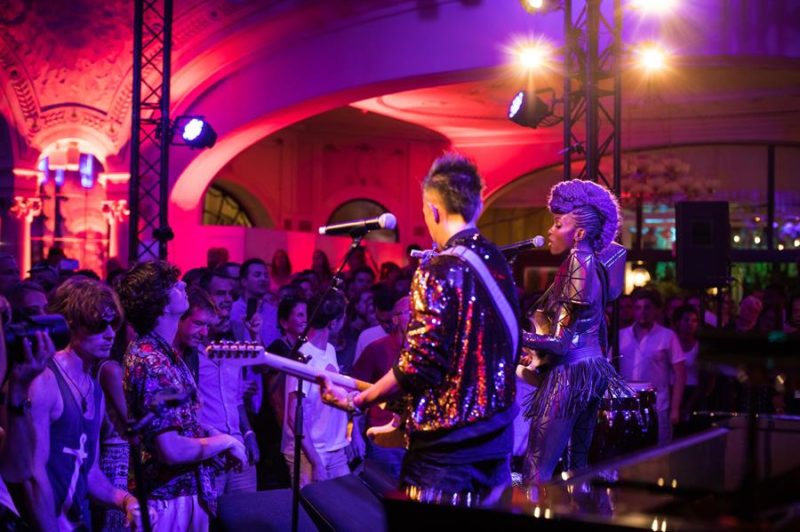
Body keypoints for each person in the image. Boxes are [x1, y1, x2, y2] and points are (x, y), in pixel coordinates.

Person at [321, 153, 520, 505]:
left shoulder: (439, 268)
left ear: (434, 209)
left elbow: (419, 364)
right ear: (477, 206)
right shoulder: (497, 262)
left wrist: (359, 400)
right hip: (497, 438)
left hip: (446, 449)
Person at [117, 261, 246, 531]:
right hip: (168, 501)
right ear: (162, 303)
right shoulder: (151, 360)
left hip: (183, 495)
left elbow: (184, 424)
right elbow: (171, 449)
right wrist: (224, 441)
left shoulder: (164, 354)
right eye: (174, 285)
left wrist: (215, 435)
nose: (184, 284)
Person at [521, 179, 632, 485]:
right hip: (592, 371)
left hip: (570, 375)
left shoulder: (577, 262)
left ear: (580, 233)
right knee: (577, 470)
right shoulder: (594, 263)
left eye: (558, 224)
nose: (550, 230)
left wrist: (515, 336)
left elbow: (559, 343)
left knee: (535, 471)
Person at [23, 277, 146, 530]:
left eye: (113, 324)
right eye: (99, 325)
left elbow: (89, 472)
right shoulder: (45, 381)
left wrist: (125, 500)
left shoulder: (94, 388)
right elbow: (33, 473)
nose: (110, 334)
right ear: (70, 324)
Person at [176, 287, 259, 496]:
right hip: (210, 451)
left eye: (229, 296)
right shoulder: (189, 356)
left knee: (248, 511)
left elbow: (237, 400)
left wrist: (248, 433)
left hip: (239, 445)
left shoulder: (232, 351)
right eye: (220, 295)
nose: (226, 303)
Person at [282, 291, 350, 488]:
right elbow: (294, 417)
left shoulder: (329, 349)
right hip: (309, 453)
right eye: (343, 317)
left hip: (334, 449)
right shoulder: (303, 356)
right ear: (333, 323)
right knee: (311, 506)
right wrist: (316, 462)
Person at [619, 288, 685, 444]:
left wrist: (675, 409)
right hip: (627, 406)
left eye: (647, 307)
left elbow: (680, 374)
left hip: (658, 406)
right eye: (638, 307)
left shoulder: (667, 336)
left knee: (658, 451)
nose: (642, 312)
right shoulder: (621, 335)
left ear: (656, 310)